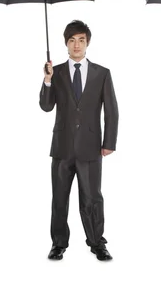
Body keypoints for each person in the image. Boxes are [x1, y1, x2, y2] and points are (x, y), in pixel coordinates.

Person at [39, 20, 119, 261]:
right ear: (66, 43)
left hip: (91, 147)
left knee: (93, 198)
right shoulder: (57, 72)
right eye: (72, 40)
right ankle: (58, 244)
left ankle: (97, 242)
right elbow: (46, 106)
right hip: (62, 148)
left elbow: (112, 110)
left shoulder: (102, 73)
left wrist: (109, 143)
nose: (76, 45)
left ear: (88, 43)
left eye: (81, 40)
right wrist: (47, 80)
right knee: (59, 198)